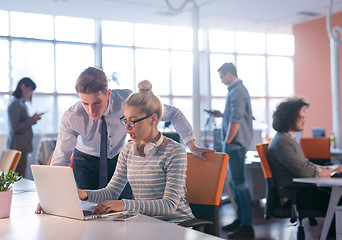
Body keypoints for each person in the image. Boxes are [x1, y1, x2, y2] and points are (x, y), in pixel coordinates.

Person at [38, 80, 195, 223]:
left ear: (153, 119)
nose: (126, 128)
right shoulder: (128, 151)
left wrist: (123, 204)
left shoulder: (175, 152)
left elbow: (169, 206)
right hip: (145, 223)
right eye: (125, 121)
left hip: (178, 224)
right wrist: (83, 194)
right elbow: (111, 192)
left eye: (132, 122)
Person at [51, 67, 213, 196]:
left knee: (126, 208)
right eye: (85, 103)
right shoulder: (72, 116)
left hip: (119, 159)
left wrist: (192, 146)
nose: (91, 110)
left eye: (97, 102)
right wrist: (51, 197)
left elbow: (174, 113)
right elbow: (60, 161)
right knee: (89, 208)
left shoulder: (127, 101)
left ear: (108, 93)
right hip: (86, 162)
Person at [268, 97, 342, 217]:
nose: (304, 120)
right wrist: (333, 172)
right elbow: (305, 171)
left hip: (301, 190)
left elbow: (306, 165)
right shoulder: (282, 142)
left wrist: (331, 171)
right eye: (301, 117)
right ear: (290, 118)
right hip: (294, 196)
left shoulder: (287, 139)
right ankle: (332, 235)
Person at [208, 63, 254, 238]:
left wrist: (227, 141)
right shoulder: (235, 91)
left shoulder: (238, 91)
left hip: (235, 143)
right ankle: (241, 220)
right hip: (235, 143)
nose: (221, 81)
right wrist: (222, 115)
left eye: (222, 77)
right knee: (235, 183)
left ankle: (247, 225)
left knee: (240, 184)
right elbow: (234, 114)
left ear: (229, 74)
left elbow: (236, 119)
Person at [6, 77, 43, 177]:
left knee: (19, 176)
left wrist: (33, 120)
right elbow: (15, 127)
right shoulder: (16, 103)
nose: (31, 94)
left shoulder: (20, 103)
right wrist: (32, 119)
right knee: (18, 177)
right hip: (18, 147)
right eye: (30, 90)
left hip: (21, 147)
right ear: (23, 86)